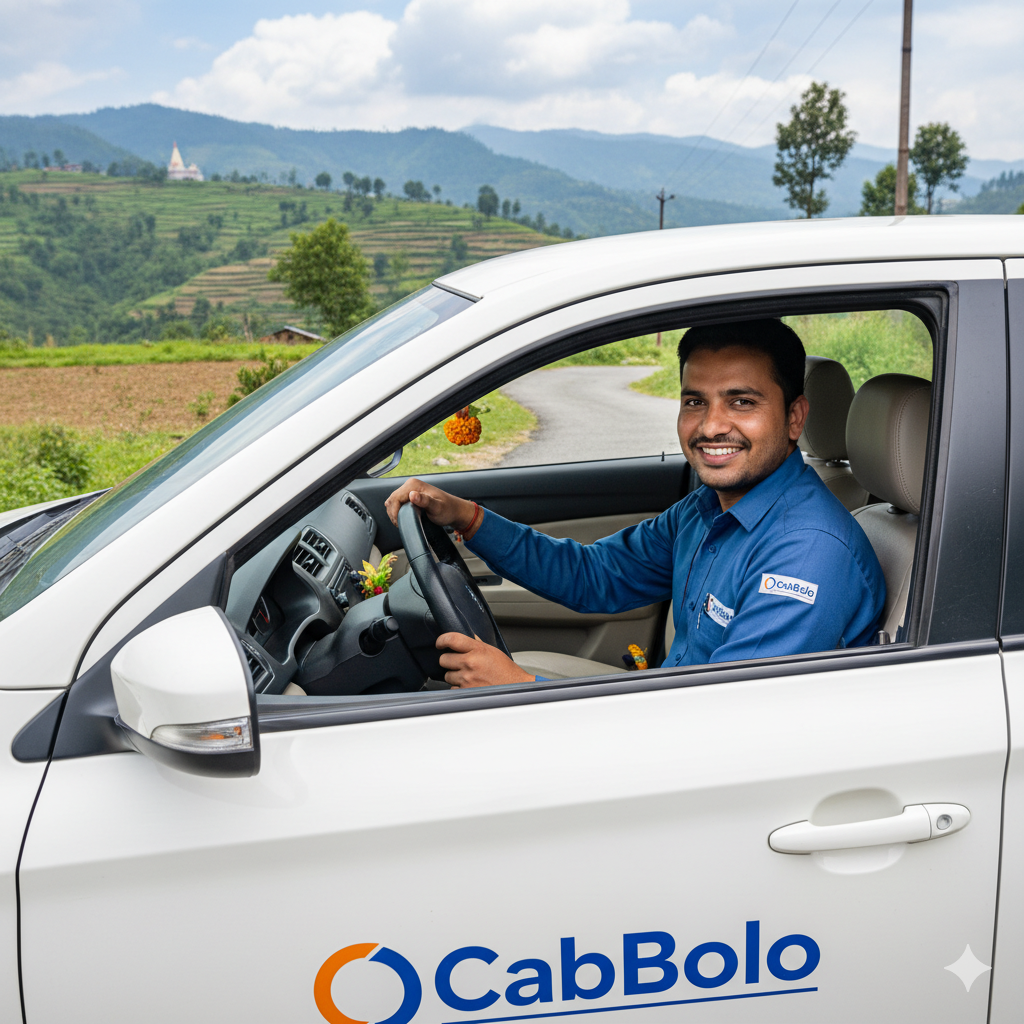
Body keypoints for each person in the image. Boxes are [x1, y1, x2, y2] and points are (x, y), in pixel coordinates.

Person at [385, 319, 885, 688]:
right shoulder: (709, 508)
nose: (710, 426)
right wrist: (469, 519)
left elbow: (728, 725)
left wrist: (520, 690)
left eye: (742, 401)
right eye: (695, 401)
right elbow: (594, 576)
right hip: (671, 716)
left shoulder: (807, 552)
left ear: (795, 417)